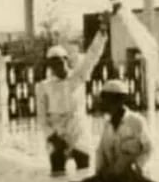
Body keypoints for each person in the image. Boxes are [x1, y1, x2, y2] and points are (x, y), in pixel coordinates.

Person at [53, 80, 159, 182]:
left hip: (133, 176)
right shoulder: (107, 125)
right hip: (111, 177)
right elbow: (100, 152)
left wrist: (138, 166)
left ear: (119, 100)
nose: (102, 103)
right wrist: (99, 175)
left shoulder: (136, 121)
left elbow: (149, 148)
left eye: (106, 99)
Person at [36, 17, 108, 174]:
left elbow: (92, 55)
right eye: (53, 63)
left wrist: (102, 33)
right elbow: (41, 117)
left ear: (66, 60)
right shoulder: (43, 87)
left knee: (83, 168)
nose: (57, 66)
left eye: (59, 61)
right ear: (49, 65)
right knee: (57, 170)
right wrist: (52, 136)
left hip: (78, 129)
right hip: (56, 131)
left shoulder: (78, 76)